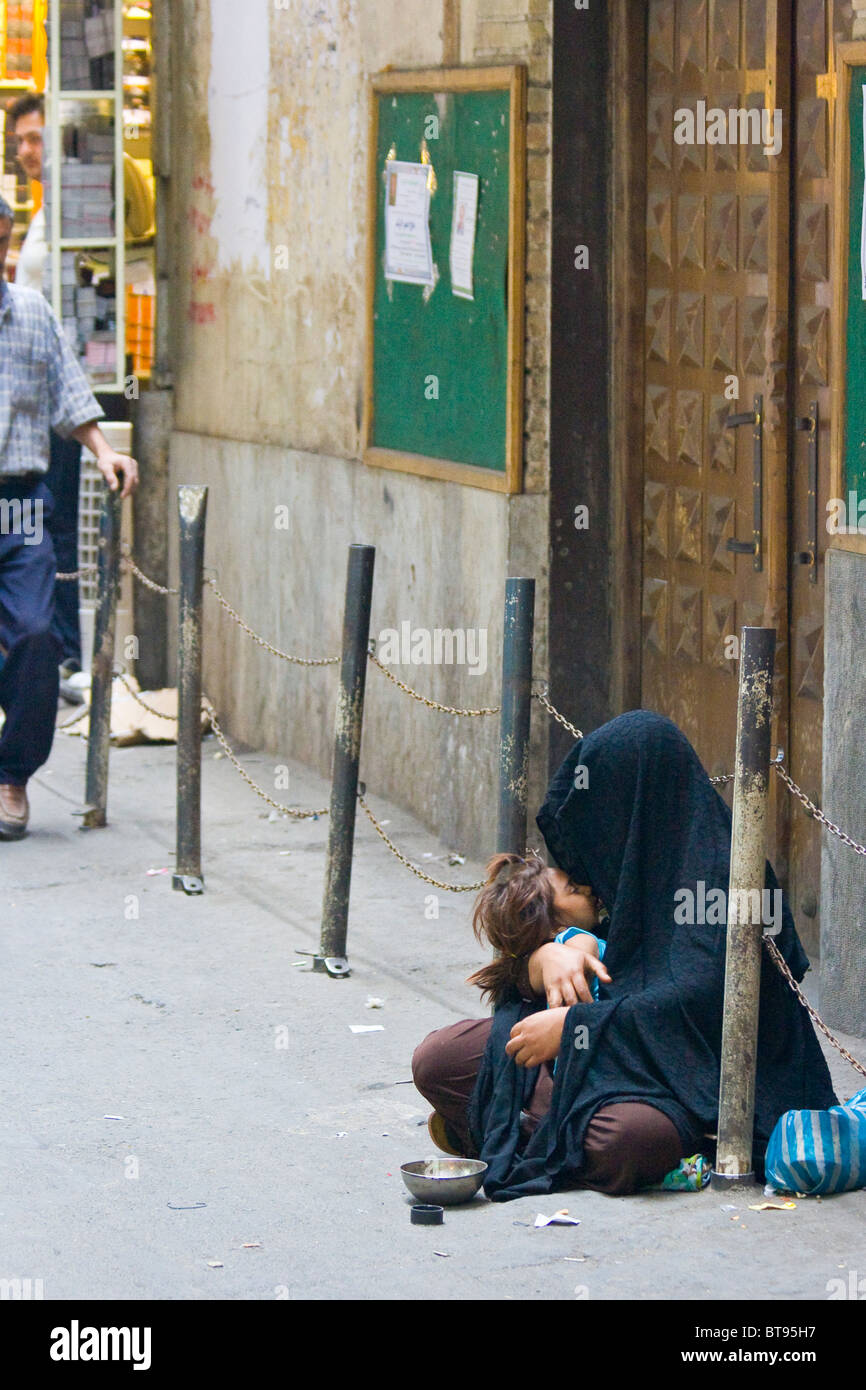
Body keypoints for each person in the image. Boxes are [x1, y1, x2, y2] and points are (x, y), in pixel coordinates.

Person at [412, 709, 839, 1198]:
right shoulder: (620, 875)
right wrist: (543, 960)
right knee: (437, 1059)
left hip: (678, 1079)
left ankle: (508, 1122)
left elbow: (702, 1002)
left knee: (630, 1142)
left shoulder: (726, 876)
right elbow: (521, 973)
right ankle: (528, 1120)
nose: (587, 855)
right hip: (593, 1060)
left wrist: (580, 1032)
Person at [0, 194, 138, 839]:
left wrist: (106, 452)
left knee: (34, 636)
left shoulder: (30, 313)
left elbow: (70, 393)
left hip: (21, 503)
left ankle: (12, 777)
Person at [8, 92, 86, 700]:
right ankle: (48, 654)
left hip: (55, 386)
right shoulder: (39, 212)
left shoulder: (78, 204)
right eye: (22, 142)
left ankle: (61, 653)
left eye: (38, 139)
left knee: (51, 523)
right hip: (30, 390)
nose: (29, 151)